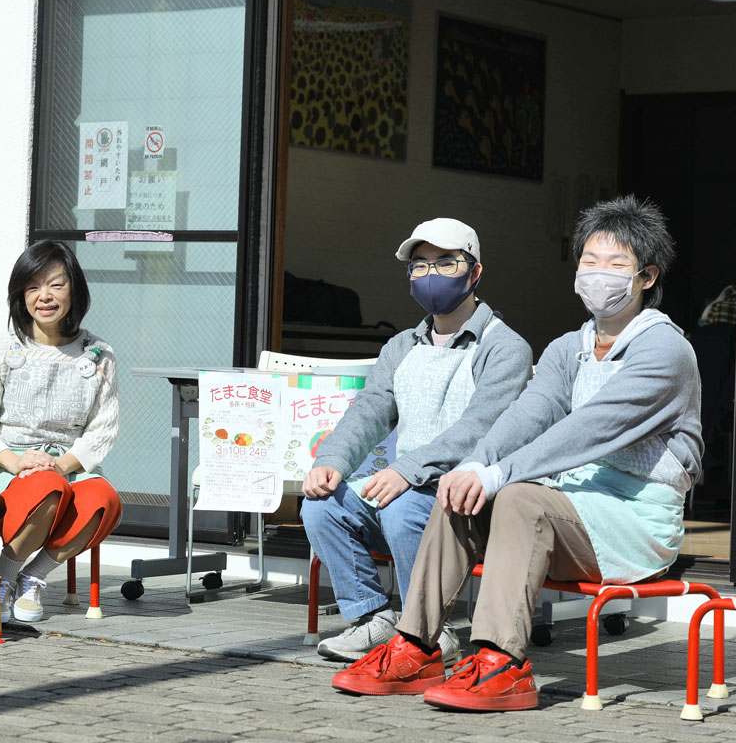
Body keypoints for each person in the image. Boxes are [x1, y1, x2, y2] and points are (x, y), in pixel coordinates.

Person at [332, 196, 702, 712]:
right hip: (573, 505)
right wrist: (474, 467)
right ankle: (415, 645)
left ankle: (502, 663)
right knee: (459, 492)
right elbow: (527, 416)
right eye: (589, 262)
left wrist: (500, 473)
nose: (598, 274)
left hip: (635, 520)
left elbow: (587, 431)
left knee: (517, 497)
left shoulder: (664, 349)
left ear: (646, 277)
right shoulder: (566, 348)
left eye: (615, 264)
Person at [301, 218, 533, 664]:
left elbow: (481, 426)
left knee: (403, 506)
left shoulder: (504, 347)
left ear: (475, 272)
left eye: (446, 263)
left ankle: (429, 629)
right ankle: (372, 618)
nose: (430, 275)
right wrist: (332, 459)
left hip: (468, 499)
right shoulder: (401, 345)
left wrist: (407, 471)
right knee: (322, 504)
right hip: (404, 488)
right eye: (420, 265)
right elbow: (368, 411)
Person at [0, 241, 122, 624]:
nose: (44, 297)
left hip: (69, 465)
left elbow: (103, 428)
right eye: (32, 287)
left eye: (55, 284)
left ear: (75, 290)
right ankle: (2, 577)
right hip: (11, 471)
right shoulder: (1, 350)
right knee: (45, 488)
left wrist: (62, 465)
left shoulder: (99, 354)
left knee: (104, 498)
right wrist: (16, 461)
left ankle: (33, 576)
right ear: (20, 295)